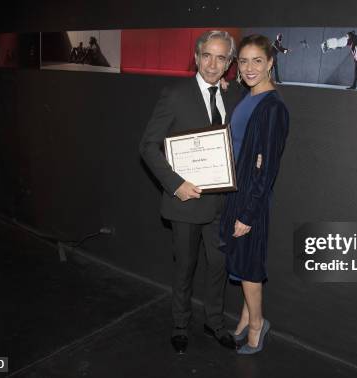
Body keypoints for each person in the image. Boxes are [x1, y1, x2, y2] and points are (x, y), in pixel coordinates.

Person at [139, 30, 242, 354]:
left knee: (218, 266)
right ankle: (180, 325)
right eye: (207, 55)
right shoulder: (175, 93)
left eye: (221, 57)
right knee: (185, 267)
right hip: (186, 202)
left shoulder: (233, 94)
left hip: (221, 203)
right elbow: (147, 146)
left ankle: (214, 322)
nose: (213, 64)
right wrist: (175, 184)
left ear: (229, 63)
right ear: (196, 57)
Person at [219, 34, 290, 354]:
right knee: (243, 261)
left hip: (252, 198)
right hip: (237, 191)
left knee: (248, 267)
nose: (248, 68)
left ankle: (258, 326)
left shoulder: (273, 107)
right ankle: (246, 318)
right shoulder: (248, 97)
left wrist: (248, 213)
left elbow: (267, 168)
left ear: (270, 64)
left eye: (257, 61)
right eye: (243, 61)